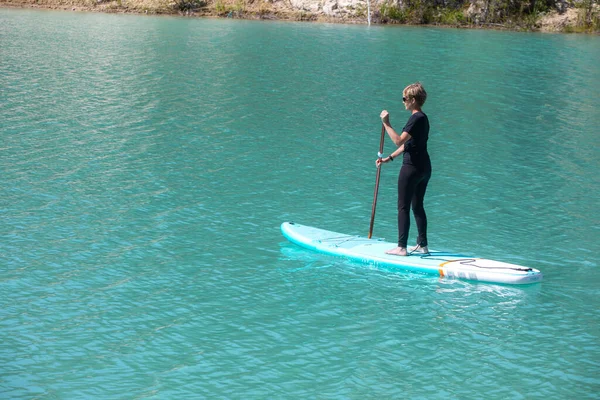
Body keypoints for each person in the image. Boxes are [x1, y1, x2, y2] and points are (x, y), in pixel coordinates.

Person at [376, 82, 431, 256]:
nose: (403, 101)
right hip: (424, 168)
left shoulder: (415, 118)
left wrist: (386, 123)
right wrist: (389, 158)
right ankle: (423, 245)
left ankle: (401, 247)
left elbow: (399, 140)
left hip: (411, 168)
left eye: (404, 98)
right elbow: (408, 145)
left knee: (403, 207)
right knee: (417, 206)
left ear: (413, 100)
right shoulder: (424, 118)